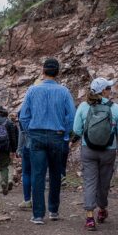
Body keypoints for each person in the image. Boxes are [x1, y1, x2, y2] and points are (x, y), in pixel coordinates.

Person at [20, 58, 76, 224]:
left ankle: (38, 215)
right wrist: (64, 132)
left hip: (36, 135)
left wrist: (30, 131)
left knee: (37, 174)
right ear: (57, 72)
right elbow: (71, 116)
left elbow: (23, 117)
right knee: (55, 174)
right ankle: (53, 210)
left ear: (43, 71)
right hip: (56, 136)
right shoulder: (64, 91)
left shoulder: (32, 90)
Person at [73, 77, 118, 231]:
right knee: (104, 182)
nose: (110, 90)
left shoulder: (84, 106)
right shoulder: (115, 108)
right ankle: (102, 210)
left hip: (88, 150)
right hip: (108, 150)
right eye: (108, 88)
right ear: (103, 91)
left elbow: (77, 130)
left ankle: (89, 218)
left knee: (90, 181)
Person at [17, 119, 32, 209]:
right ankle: (37, 200)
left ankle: (27, 200)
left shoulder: (24, 112)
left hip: (28, 146)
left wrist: (19, 149)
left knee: (26, 173)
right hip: (42, 146)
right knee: (37, 173)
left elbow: (22, 133)